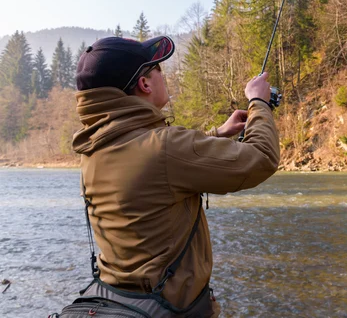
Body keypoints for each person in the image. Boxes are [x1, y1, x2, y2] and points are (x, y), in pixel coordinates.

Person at [71, 36, 280, 317]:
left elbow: (157, 169)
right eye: (157, 69)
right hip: (171, 307)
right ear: (144, 84)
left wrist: (217, 135)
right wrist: (259, 102)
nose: (163, 75)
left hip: (120, 302)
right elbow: (261, 158)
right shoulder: (165, 148)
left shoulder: (94, 149)